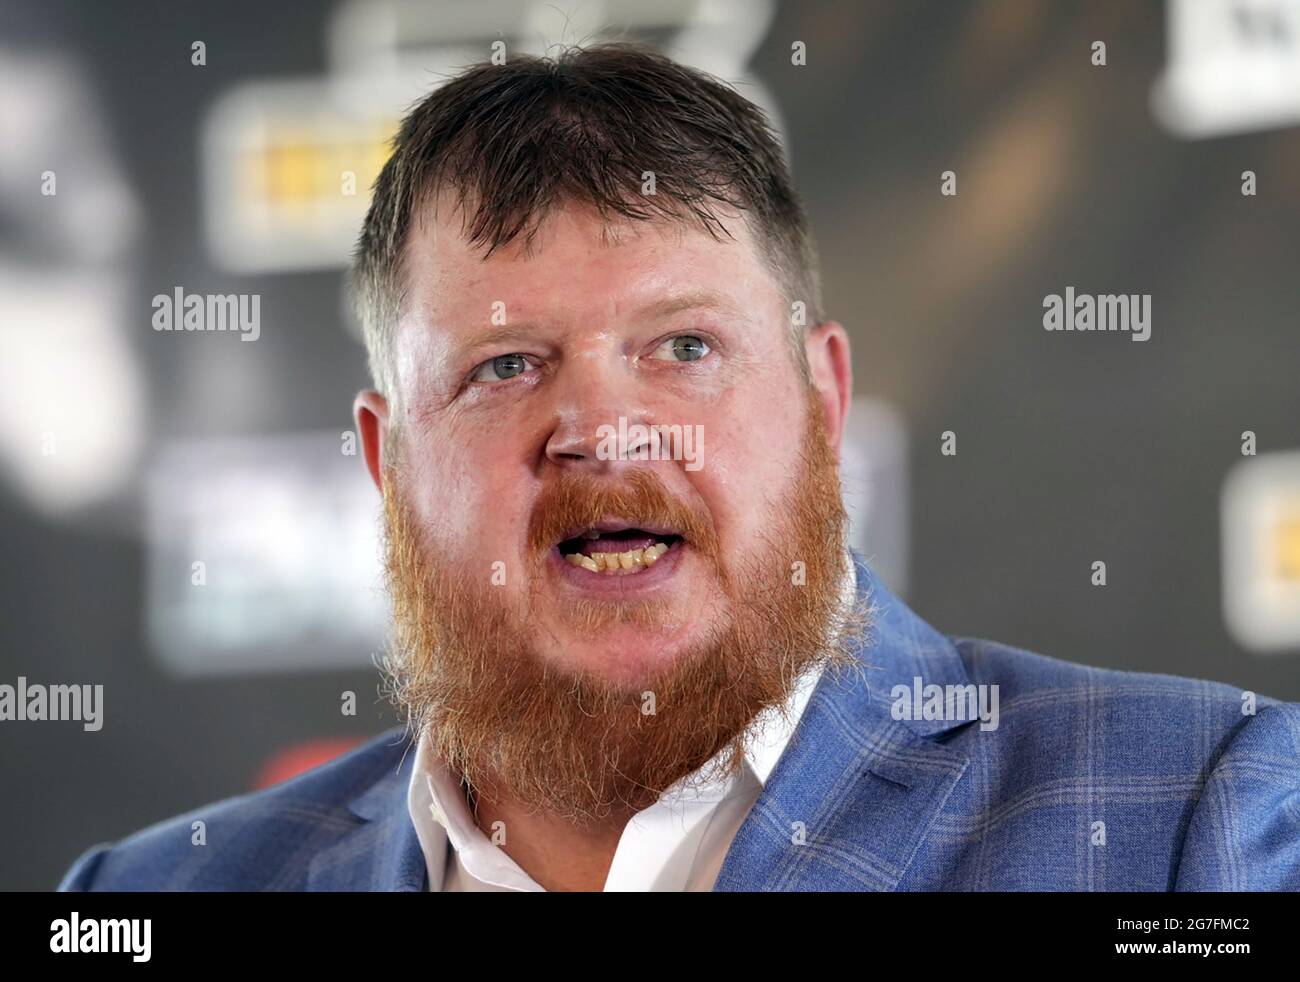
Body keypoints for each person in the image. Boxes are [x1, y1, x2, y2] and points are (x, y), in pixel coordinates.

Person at [60, 42, 1300, 892]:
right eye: (505, 365)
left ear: (821, 400)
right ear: (388, 462)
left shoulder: (1187, 821)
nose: (605, 430)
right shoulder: (155, 892)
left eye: (684, 347)